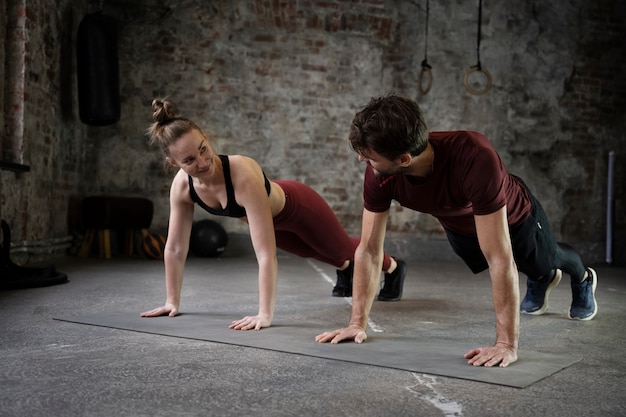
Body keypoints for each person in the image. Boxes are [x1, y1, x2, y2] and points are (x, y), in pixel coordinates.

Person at [315, 94, 598, 368]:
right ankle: (539, 276)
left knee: (544, 261)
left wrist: (506, 345)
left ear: (403, 159)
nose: (362, 161)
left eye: (369, 157)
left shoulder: (475, 158)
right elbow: (368, 249)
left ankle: (582, 278)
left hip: (516, 218)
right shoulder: (381, 174)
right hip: (461, 226)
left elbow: (499, 257)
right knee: (521, 265)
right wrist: (356, 323)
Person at [140, 99, 407, 331]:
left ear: (206, 138)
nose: (202, 162)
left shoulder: (242, 173)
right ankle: (346, 270)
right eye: (188, 160)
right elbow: (175, 248)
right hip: (274, 220)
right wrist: (171, 301)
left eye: (203, 149)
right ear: (173, 163)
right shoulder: (182, 187)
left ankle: (394, 267)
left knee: (341, 247)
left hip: (298, 206)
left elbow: (265, 254)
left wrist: (264, 314)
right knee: (308, 251)